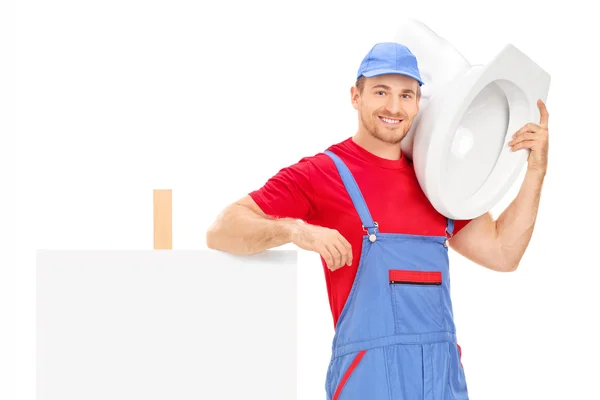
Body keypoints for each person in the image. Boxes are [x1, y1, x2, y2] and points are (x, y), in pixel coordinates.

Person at [206, 42, 550, 400]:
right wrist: (297, 230)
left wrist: (536, 169)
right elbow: (223, 229)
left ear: (419, 103)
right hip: (368, 383)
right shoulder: (324, 172)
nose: (393, 107)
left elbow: (503, 253)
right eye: (381, 92)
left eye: (406, 95)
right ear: (356, 96)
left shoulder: (439, 179)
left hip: (441, 380)